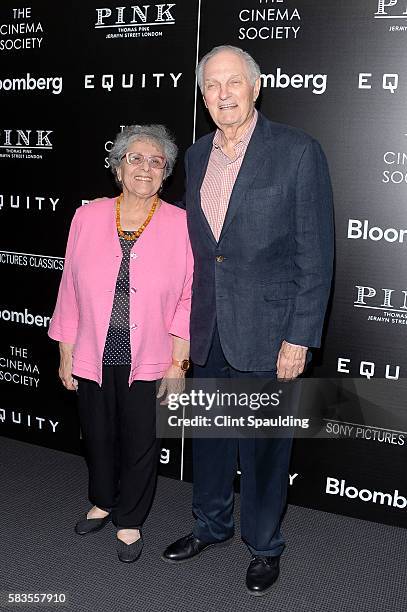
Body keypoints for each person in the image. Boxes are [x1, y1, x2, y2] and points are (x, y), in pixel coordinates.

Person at [161, 46, 334, 596]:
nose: (223, 94)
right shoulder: (194, 155)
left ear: (257, 88)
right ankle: (210, 526)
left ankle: (264, 546)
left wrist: (300, 336)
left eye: (234, 82)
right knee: (210, 440)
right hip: (209, 327)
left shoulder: (297, 151)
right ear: (203, 94)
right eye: (212, 85)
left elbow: (316, 253)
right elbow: (203, 252)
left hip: (268, 330)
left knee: (263, 450)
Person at [48, 124, 193, 563]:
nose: (145, 168)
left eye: (156, 162)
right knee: (97, 434)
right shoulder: (87, 216)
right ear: (118, 168)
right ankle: (103, 500)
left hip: (148, 355)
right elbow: (69, 287)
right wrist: (65, 349)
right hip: (94, 350)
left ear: (165, 173)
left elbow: (189, 296)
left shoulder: (181, 224)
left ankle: (129, 518)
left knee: (140, 441)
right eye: (135, 159)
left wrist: (178, 362)